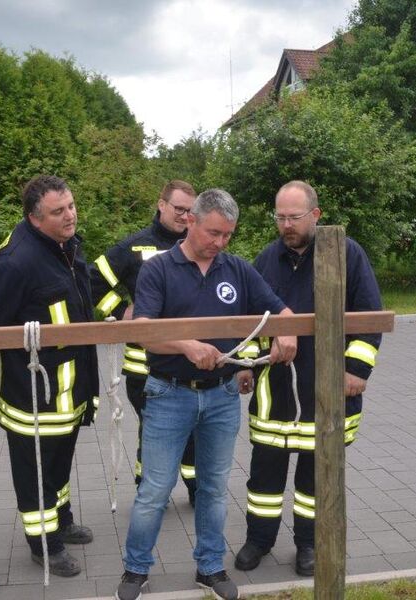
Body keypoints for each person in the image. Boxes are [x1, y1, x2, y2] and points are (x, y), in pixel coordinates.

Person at [115, 189, 297, 600]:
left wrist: (286, 329)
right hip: (167, 394)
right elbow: (144, 331)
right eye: (214, 232)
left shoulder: (237, 269)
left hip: (221, 396)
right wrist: (186, 345)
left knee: (214, 487)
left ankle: (210, 568)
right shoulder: (158, 269)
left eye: (228, 235)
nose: (220, 243)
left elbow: (279, 311)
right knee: (156, 489)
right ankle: (135, 569)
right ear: (190, 221)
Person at [234, 180, 382, 577]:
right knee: (263, 477)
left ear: (315, 215)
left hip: (326, 392)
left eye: (294, 217)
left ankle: (308, 545)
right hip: (275, 394)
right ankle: (258, 540)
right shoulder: (266, 259)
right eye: (279, 217)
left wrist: (356, 368)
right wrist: (247, 364)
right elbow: (251, 323)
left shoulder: (346, 255)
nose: (286, 225)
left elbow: (369, 316)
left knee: (314, 480)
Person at [0, 175, 98, 577]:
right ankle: (45, 544)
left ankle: (60, 519)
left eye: (72, 206)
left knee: (59, 467)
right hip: (34, 400)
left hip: (69, 394)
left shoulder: (66, 247)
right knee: (35, 475)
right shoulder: (17, 262)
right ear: (33, 217)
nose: (70, 216)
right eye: (58, 211)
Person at [90, 180, 198, 505]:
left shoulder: (198, 245)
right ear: (161, 204)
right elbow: (91, 281)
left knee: (194, 430)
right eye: (178, 209)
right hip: (145, 366)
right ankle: (151, 494)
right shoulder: (135, 247)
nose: (184, 216)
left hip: (189, 361)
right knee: (154, 434)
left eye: (190, 211)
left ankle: (198, 491)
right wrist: (122, 311)